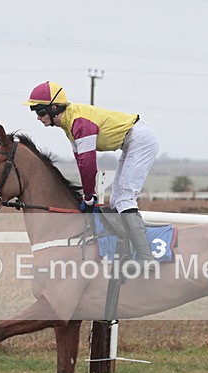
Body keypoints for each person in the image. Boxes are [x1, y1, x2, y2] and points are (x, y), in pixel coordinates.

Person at [24, 81, 159, 265]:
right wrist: (90, 195)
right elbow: (81, 163)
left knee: (125, 198)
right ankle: (125, 248)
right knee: (115, 201)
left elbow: (88, 165)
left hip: (140, 139)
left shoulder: (79, 123)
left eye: (40, 111)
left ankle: (146, 257)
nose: (38, 118)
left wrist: (89, 197)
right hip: (130, 141)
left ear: (54, 107)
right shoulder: (68, 125)